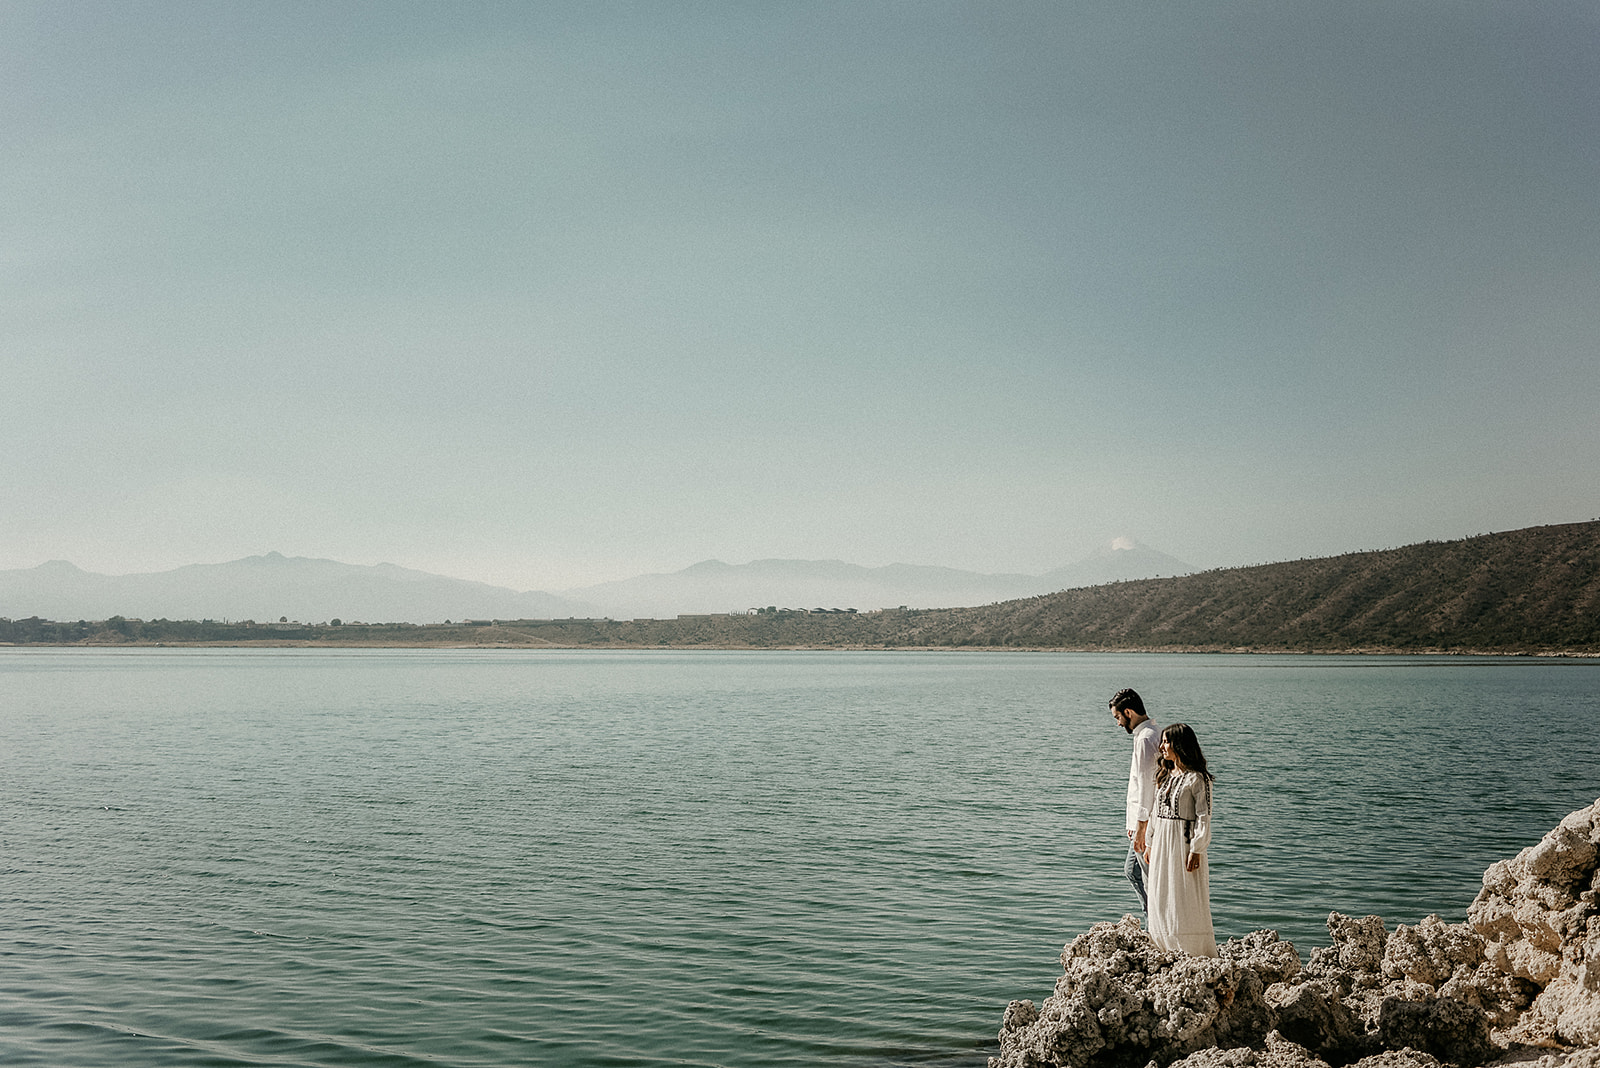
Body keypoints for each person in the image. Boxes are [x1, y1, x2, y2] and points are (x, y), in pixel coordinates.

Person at [1146, 722, 1217, 956]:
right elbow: (1156, 813)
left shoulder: (1197, 779)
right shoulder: (1165, 777)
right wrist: (1149, 843)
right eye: (1163, 741)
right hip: (1161, 845)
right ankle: (1163, 946)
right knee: (1161, 893)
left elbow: (1203, 816)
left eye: (1167, 741)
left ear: (1180, 744)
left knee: (1184, 896)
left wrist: (1197, 848)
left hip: (1183, 844)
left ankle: (1191, 951)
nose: (1162, 746)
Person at [1109, 688, 1159, 913]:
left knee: (1145, 877)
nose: (1118, 724)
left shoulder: (1146, 740)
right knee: (1135, 872)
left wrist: (1139, 828)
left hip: (1146, 825)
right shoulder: (1151, 734)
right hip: (1143, 823)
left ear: (1128, 712)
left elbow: (1146, 788)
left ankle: (1155, 929)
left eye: (1118, 717)